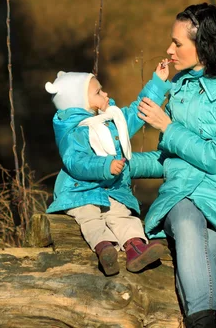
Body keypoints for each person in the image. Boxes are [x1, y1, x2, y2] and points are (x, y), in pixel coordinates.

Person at [131, 3, 216, 327]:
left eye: (177, 43)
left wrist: (167, 126)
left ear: (204, 45)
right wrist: (124, 163)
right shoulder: (183, 84)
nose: (169, 49)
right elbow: (170, 160)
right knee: (185, 215)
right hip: (184, 198)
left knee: (191, 269)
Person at [44, 64, 171, 276]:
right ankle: (105, 249)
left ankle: (136, 247)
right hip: (80, 192)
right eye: (98, 92)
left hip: (111, 190)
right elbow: (77, 162)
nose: (105, 93)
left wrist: (157, 83)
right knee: (90, 218)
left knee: (122, 215)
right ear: (79, 103)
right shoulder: (74, 132)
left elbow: (136, 113)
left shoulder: (112, 120)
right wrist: (106, 166)